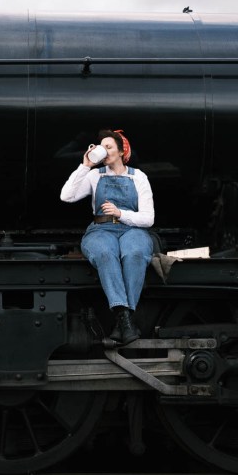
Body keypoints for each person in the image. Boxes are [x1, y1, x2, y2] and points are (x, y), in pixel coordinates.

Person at [60, 129, 154, 345]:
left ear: (122, 151)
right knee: (104, 253)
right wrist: (84, 166)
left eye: (109, 146)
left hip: (132, 229)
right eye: (101, 147)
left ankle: (122, 322)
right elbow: (66, 196)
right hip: (101, 230)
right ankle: (125, 321)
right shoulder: (95, 175)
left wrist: (121, 213)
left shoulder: (138, 177)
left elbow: (148, 219)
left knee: (136, 253)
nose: (104, 150)